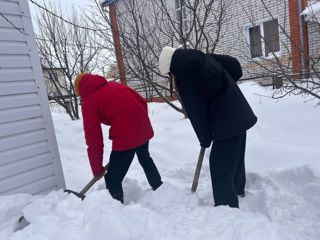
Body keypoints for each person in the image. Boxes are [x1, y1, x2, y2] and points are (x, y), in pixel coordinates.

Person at [158, 47, 257, 208]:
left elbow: (197, 113)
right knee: (235, 157)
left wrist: (204, 139)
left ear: (172, 69)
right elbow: (234, 66)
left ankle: (227, 206)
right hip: (239, 111)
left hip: (226, 122)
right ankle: (238, 190)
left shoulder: (186, 77)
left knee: (220, 165)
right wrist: (223, 88)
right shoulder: (203, 58)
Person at [74, 73, 162, 203]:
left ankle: (117, 213)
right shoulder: (114, 85)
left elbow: (93, 138)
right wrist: (139, 124)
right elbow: (142, 101)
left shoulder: (89, 101)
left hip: (126, 134)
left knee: (112, 179)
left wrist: (97, 169)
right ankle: (159, 187)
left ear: (80, 91)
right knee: (145, 158)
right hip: (143, 127)